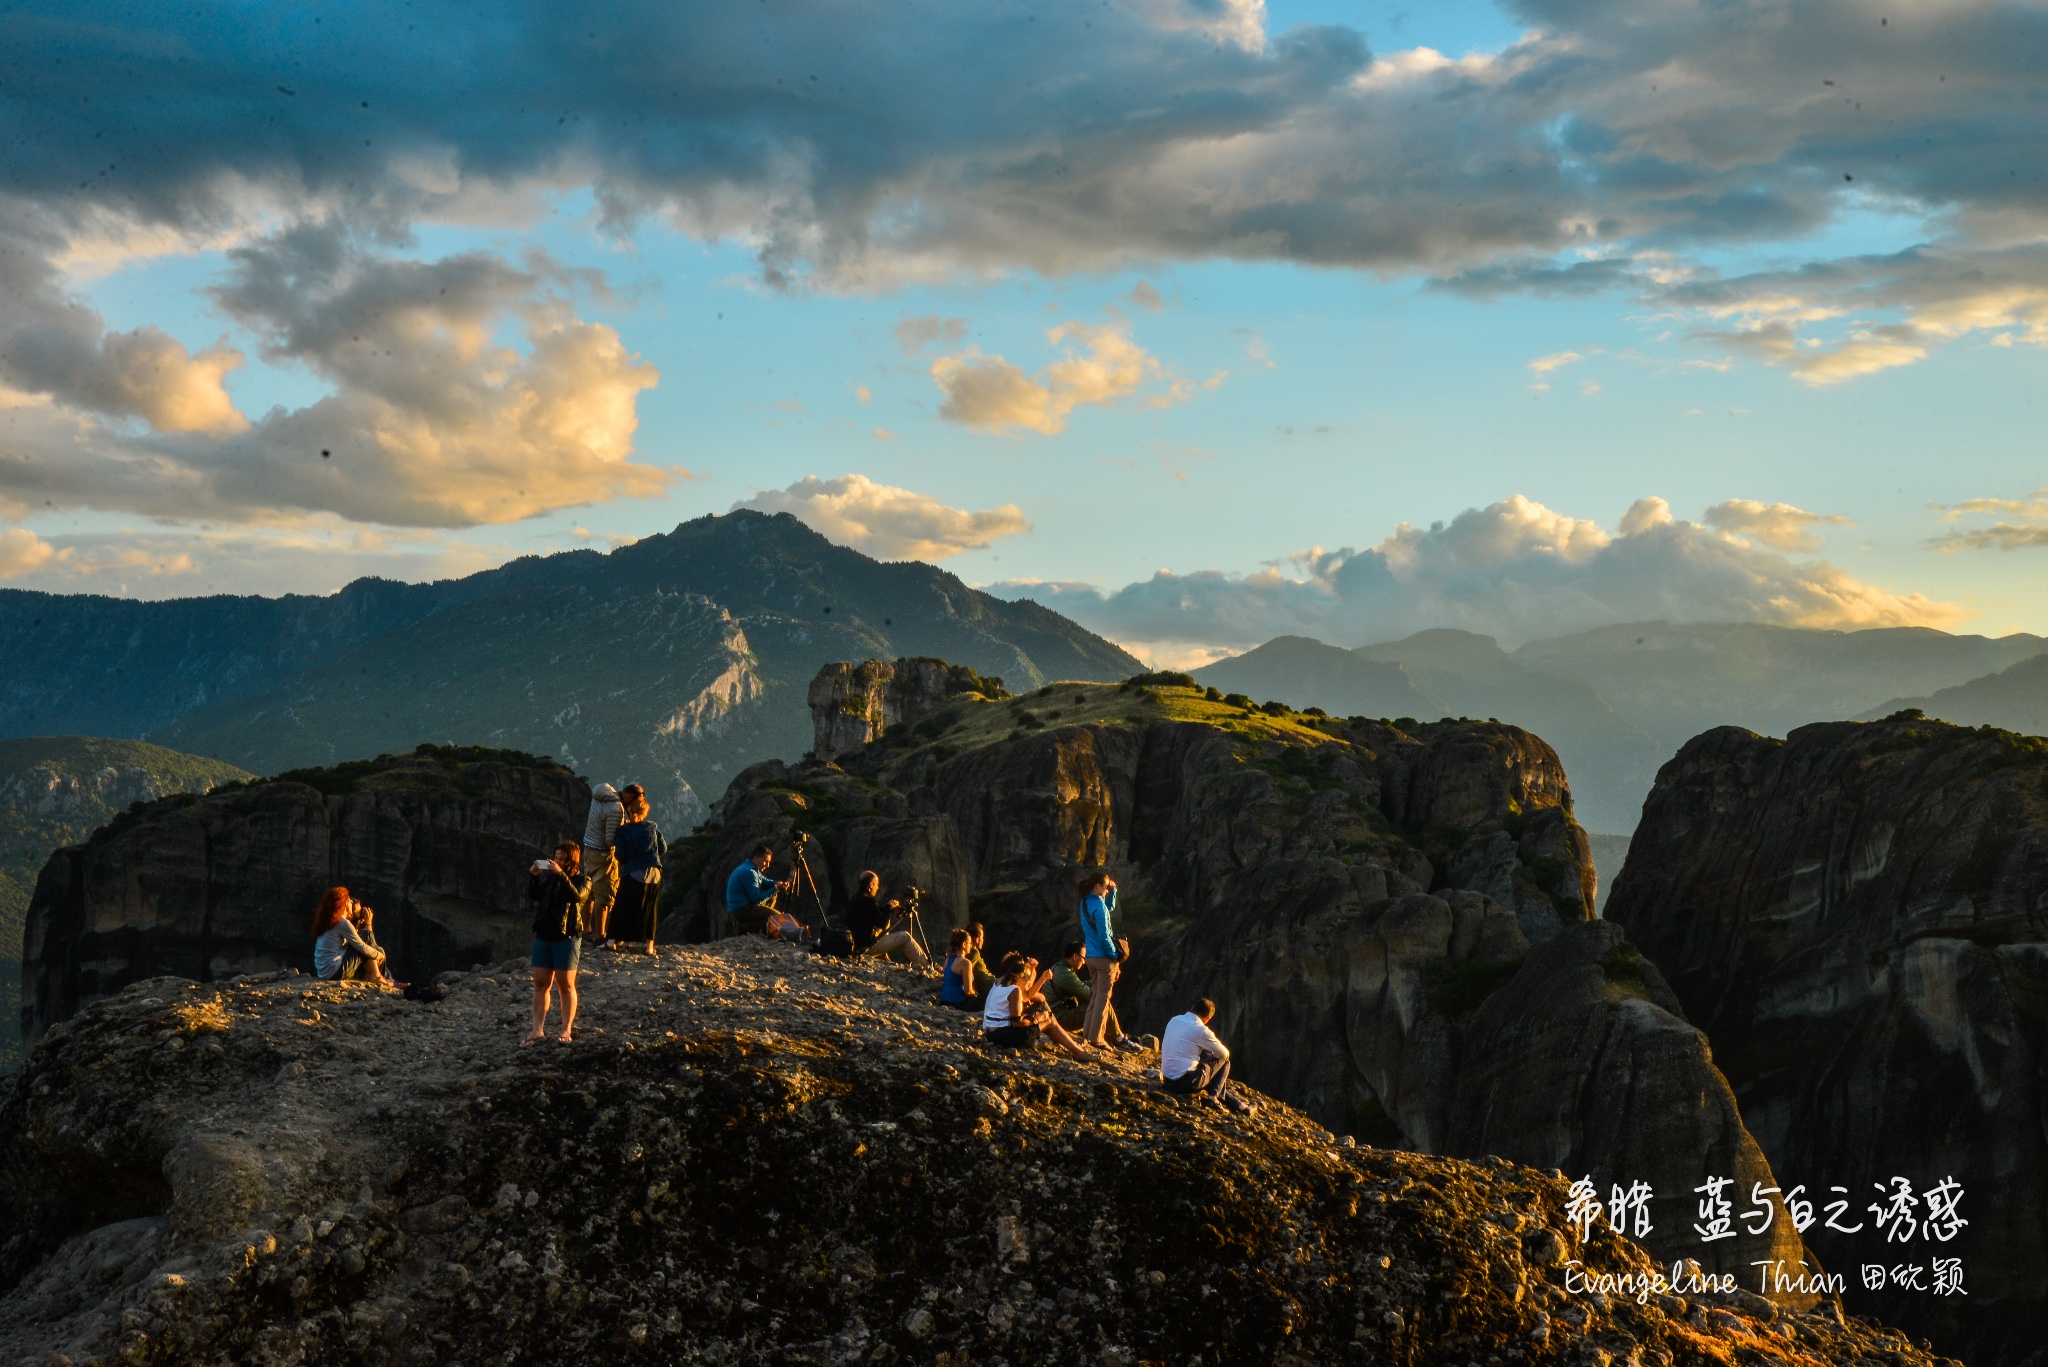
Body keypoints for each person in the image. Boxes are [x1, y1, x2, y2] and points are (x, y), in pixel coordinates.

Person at [527, 842, 588, 1046]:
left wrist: (561, 874)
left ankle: (565, 1029)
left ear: (571, 861)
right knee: (540, 983)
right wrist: (534, 878)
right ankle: (537, 1029)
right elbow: (534, 896)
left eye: (562, 859)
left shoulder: (582, 880)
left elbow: (576, 897)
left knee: (566, 985)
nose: (557, 862)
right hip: (544, 934)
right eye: (556, 858)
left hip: (567, 937)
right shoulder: (548, 879)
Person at [981, 952, 1089, 1058]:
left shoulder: (999, 983)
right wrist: (1037, 1018)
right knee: (1049, 1020)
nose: (1028, 979)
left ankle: (1061, 1038)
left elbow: (1031, 994)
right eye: (1025, 975)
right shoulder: (1015, 990)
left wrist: (1032, 971)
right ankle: (1079, 1052)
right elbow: (1017, 1023)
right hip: (1002, 1034)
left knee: (1042, 1009)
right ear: (1018, 975)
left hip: (991, 1032)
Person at [1050, 940, 1147, 1052]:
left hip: (1058, 1014)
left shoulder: (1060, 968)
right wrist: (1105, 980)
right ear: (1075, 956)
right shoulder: (1065, 975)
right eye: (1084, 958)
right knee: (1100, 1001)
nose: (1085, 962)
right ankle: (1119, 1039)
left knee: (1099, 1000)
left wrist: (1102, 981)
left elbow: (1079, 985)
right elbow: (1090, 995)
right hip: (1060, 1019)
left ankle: (1115, 1036)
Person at [1160, 997, 1253, 1113]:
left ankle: (1240, 1106)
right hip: (1186, 1083)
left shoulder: (1174, 1019)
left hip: (1167, 1080)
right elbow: (1224, 1054)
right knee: (1224, 1061)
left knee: (1209, 1073)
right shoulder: (1202, 1030)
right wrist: (1210, 1054)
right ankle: (1213, 1098)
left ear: (1192, 1007)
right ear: (1208, 1019)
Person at [610, 784, 666, 955]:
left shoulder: (624, 830)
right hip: (655, 872)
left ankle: (611, 941)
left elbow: (620, 854)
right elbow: (663, 848)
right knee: (650, 908)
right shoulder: (652, 826)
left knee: (622, 906)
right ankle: (649, 946)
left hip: (634, 871)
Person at [1077, 872, 1130, 1047]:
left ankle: (1087, 1035)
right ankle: (1096, 1039)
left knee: (1095, 997)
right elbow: (1104, 936)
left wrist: (1113, 892)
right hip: (1103, 958)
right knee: (1103, 998)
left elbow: (1108, 908)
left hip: (1090, 956)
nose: (1107, 890)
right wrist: (1114, 956)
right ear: (1098, 886)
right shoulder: (1099, 907)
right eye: (1106, 887)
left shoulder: (1085, 902)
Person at [844, 870, 930, 965]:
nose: (877, 887)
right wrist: (889, 908)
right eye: (876, 884)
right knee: (905, 937)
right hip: (866, 947)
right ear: (871, 885)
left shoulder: (855, 899)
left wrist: (887, 909)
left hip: (855, 944)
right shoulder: (868, 901)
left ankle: (884, 957)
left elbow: (872, 914)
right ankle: (926, 965)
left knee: (887, 923)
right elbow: (882, 923)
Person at [312, 887, 392, 985]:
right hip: (335, 972)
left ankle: (380, 976)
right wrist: (380, 956)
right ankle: (378, 976)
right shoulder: (342, 923)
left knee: (376, 948)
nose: (351, 903)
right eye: (350, 901)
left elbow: (352, 942)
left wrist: (357, 924)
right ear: (345, 904)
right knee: (368, 938)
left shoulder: (329, 920)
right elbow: (361, 946)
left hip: (324, 972)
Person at [580, 782, 623, 942]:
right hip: (603, 854)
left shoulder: (599, 793)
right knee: (603, 897)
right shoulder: (616, 809)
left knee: (589, 891)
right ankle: (600, 935)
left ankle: (586, 928)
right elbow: (610, 840)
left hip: (588, 849)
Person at [725, 844, 795, 937]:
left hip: (743, 908)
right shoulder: (749, 872)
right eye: (765, 861)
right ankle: (746, 927)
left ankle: (755, 925)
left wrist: (778, 883)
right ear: (756, 858)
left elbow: (765, 882)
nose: (767, 865)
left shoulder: (752, 868)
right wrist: (777, 888)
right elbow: (756, 899)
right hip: (741, 910)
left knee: (773, 895)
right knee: (777, 916)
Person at [939, 928, 982, 1010]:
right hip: (958, 1003)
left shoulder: (947, 960)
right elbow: (968, 992)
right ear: (964, 944)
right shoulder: (965, 963)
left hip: (943, 1001)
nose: (971, 945)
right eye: (970, 943)